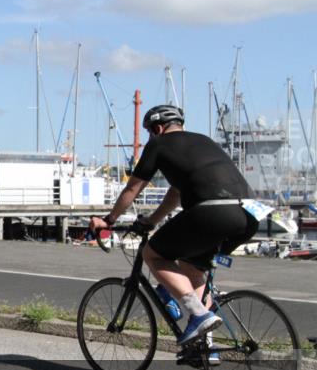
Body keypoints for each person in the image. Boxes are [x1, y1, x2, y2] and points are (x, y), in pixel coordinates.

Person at [89, 105, 259, 356]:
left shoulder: (158, 144)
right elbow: (175, 194)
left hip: (213, 211)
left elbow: (132, 188)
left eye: (149, 132)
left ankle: (199, 315)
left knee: (152, 254)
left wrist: (109, 220)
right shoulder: (203, 141)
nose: (149, 137)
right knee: (193, 267)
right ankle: (206, 347)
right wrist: (153, 220)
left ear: (158, 129)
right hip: (249, 214)